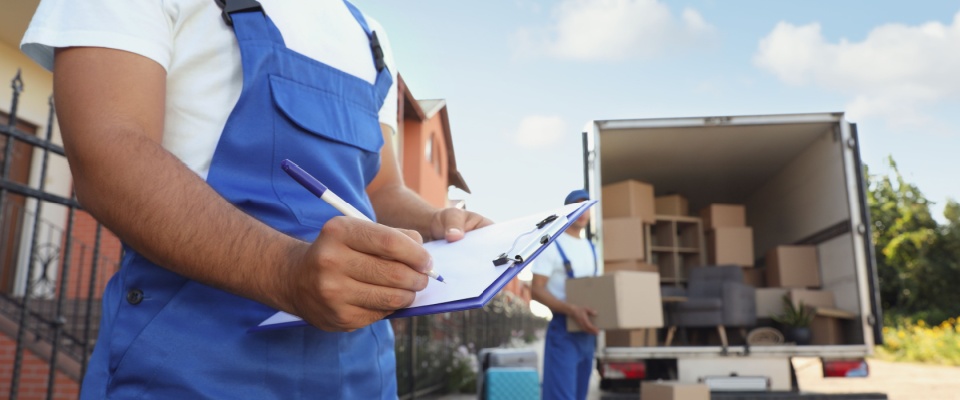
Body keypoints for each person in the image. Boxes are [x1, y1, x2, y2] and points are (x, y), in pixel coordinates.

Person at [20, 0, 491, 398]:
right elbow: (107, 153)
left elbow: (381, 188)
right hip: (186, 371)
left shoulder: (370, 36)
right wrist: (287, 273)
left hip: (364, 372)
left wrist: (436, 220)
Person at [530, 189, 601, 400]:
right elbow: (536, 290)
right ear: (567, 210)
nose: (583, 211)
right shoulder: (552, 245)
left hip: (588, 332)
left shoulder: (592, 248)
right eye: (577, 205)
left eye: (586, 206)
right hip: (564, 331)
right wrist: (572, 309)